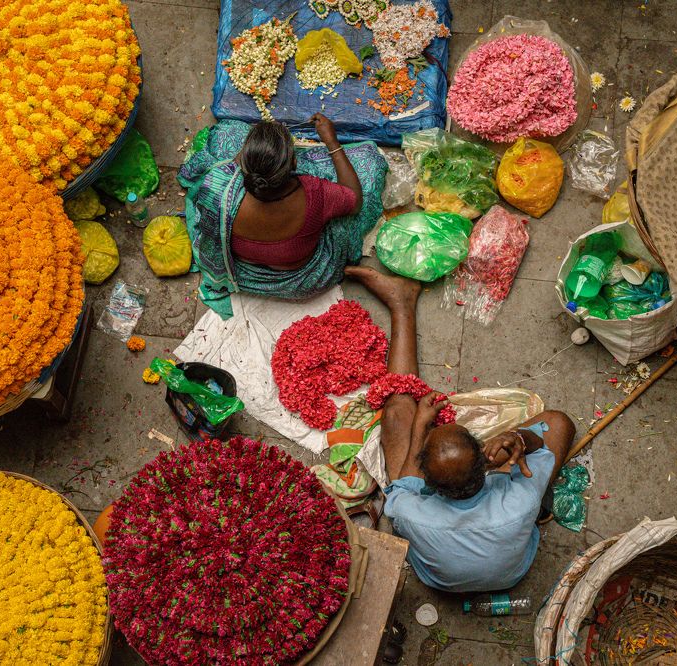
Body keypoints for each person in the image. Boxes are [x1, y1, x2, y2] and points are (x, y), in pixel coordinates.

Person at [346, 265, 575, 594]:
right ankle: (402, 303)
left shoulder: (409, 512)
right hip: (512, 573)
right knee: (553, 428)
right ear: (486, 459)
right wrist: (521, 439)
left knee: (397, 414)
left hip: (441, 583)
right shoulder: (521, 498)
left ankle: (401, 307)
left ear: (427, 482)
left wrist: (420, 429)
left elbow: (404, 486)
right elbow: (559, 425)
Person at [178, 115, 387, 318]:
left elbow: (232, 166)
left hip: (245, 275)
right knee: (368, 163)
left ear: (242, 166)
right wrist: (332, 142)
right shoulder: (314, 192)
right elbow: (355, 201)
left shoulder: (219, 187)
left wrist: (256, 150)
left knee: (227, 132)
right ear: (295, 163)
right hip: (301, 280)